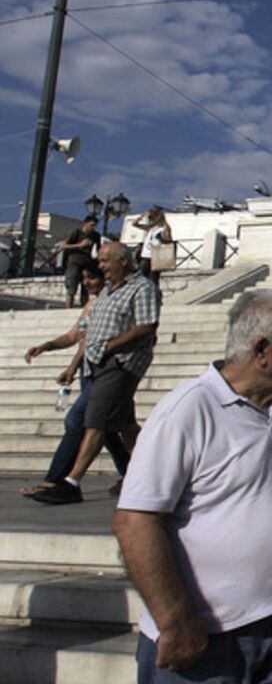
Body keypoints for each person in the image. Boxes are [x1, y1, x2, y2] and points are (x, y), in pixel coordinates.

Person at [112, 289, 272, 684]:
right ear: (262, 350)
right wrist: (176, 620)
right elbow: (135, 522)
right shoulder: (188, 411)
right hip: (208, 633)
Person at [30, 242, 159, 505]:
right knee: (124, 425)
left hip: (120, 363)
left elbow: (147, 327)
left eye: (104, 261)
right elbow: (83, 335)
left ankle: (70, 482)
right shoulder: (108, 293)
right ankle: (149, 476)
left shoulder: (143, 288)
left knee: (94, 422)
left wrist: (111, 348)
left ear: (123, 261)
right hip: (96, 365)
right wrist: (55, 350)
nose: (100, 266)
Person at [21, 265, 131, 497]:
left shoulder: (110, 305)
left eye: (91, 277)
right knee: (107, 428)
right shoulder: (91, 306)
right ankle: (131, 475)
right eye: (85, 278)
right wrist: (47, 346)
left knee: (76, 421)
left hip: (105, 372)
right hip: (89, 372)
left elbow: (91, 341)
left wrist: (71, 367)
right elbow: (74, 336)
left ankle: (56, 479)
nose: (88, 283)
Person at [56, 215, 100, 308]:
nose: (93, 228)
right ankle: (68, 308)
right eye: (91, 225)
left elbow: (99, 249)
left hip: (87, 264)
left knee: (86, 288)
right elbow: (63, 246)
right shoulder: (77, 233)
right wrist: (80, 245)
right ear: (86, 224)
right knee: (71, 287)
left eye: (95, 226)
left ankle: (84, 308)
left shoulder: (95, 235)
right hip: (74, 262)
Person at [132, 206, 172, 286]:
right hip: (145, 255)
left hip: (156, 256)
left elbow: (169, 242)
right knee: (141, 278)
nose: (151, 220)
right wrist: (142, 216)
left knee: (153, 278)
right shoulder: (151, 228)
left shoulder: (164, 228)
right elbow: (134, 224)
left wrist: (162, 239)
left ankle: (154, 294)